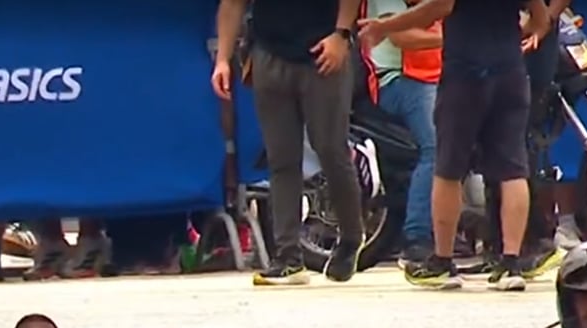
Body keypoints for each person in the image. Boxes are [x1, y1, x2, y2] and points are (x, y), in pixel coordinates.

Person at [360, 0, 553, 291]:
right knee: (513, 167)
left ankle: (442, 260)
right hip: (510, 71)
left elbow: (439, 6)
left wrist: (384, 26)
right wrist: (521, 35)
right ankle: (511, 262)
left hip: (465, 72)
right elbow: (541, 19)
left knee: (448, 165)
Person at [212, 0, 365, 286]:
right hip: (270, 54)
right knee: (281, 158)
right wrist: (223, 58)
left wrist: (342, 34)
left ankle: (351, 238)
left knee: (330, 149)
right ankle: (287, 255)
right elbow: (232, 4)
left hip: (322, 51)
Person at [480, 0, 571, 286]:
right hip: (494, 41)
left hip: (533, 42)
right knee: (494, 142)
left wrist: (543, 21)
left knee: (519, 143)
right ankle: (498, 243)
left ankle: (530, 241)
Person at [361, 0, 441, 272]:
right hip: (396, 78)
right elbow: (401, 36)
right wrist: (456, 38)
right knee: (436, 148)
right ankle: (417, 240)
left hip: (434, 74)